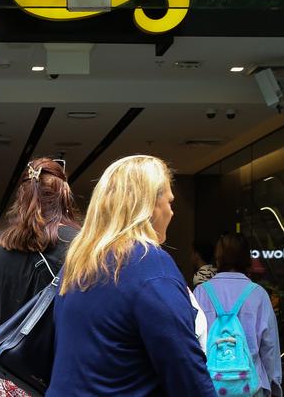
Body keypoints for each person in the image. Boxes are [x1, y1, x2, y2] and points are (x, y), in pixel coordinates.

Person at [49, 155, 215, 397]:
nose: (172, 212)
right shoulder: (149, 263)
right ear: (150, 206)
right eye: (169, 202)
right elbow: (185, 370)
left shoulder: (78, 262)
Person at [0, 157, 80, 397]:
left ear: (21, 196)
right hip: (63, 379)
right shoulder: (83, 246)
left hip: (9, 379)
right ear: (64, 194)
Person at [194, 233, 282, 397]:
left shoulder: (201, 293)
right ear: (246, 258)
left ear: (218, 258)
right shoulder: (259, 294)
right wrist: (274, 385)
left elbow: (191, 342)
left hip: (210, 386)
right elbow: (269, 348)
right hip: (252, 387)